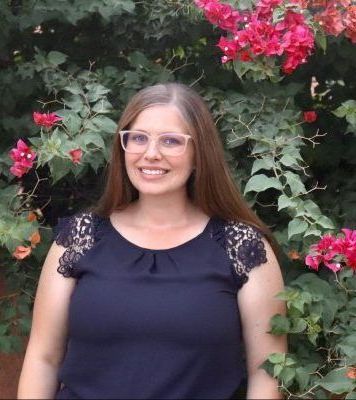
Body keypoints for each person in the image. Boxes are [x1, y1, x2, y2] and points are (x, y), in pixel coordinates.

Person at [18, 83, 286, 399]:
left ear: (200, 153)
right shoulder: (79, 238)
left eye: (171, 141)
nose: (151, 153)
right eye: (138, 138)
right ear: (123, 147)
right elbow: (43, 360)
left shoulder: (242, 247)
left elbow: (266, 374)